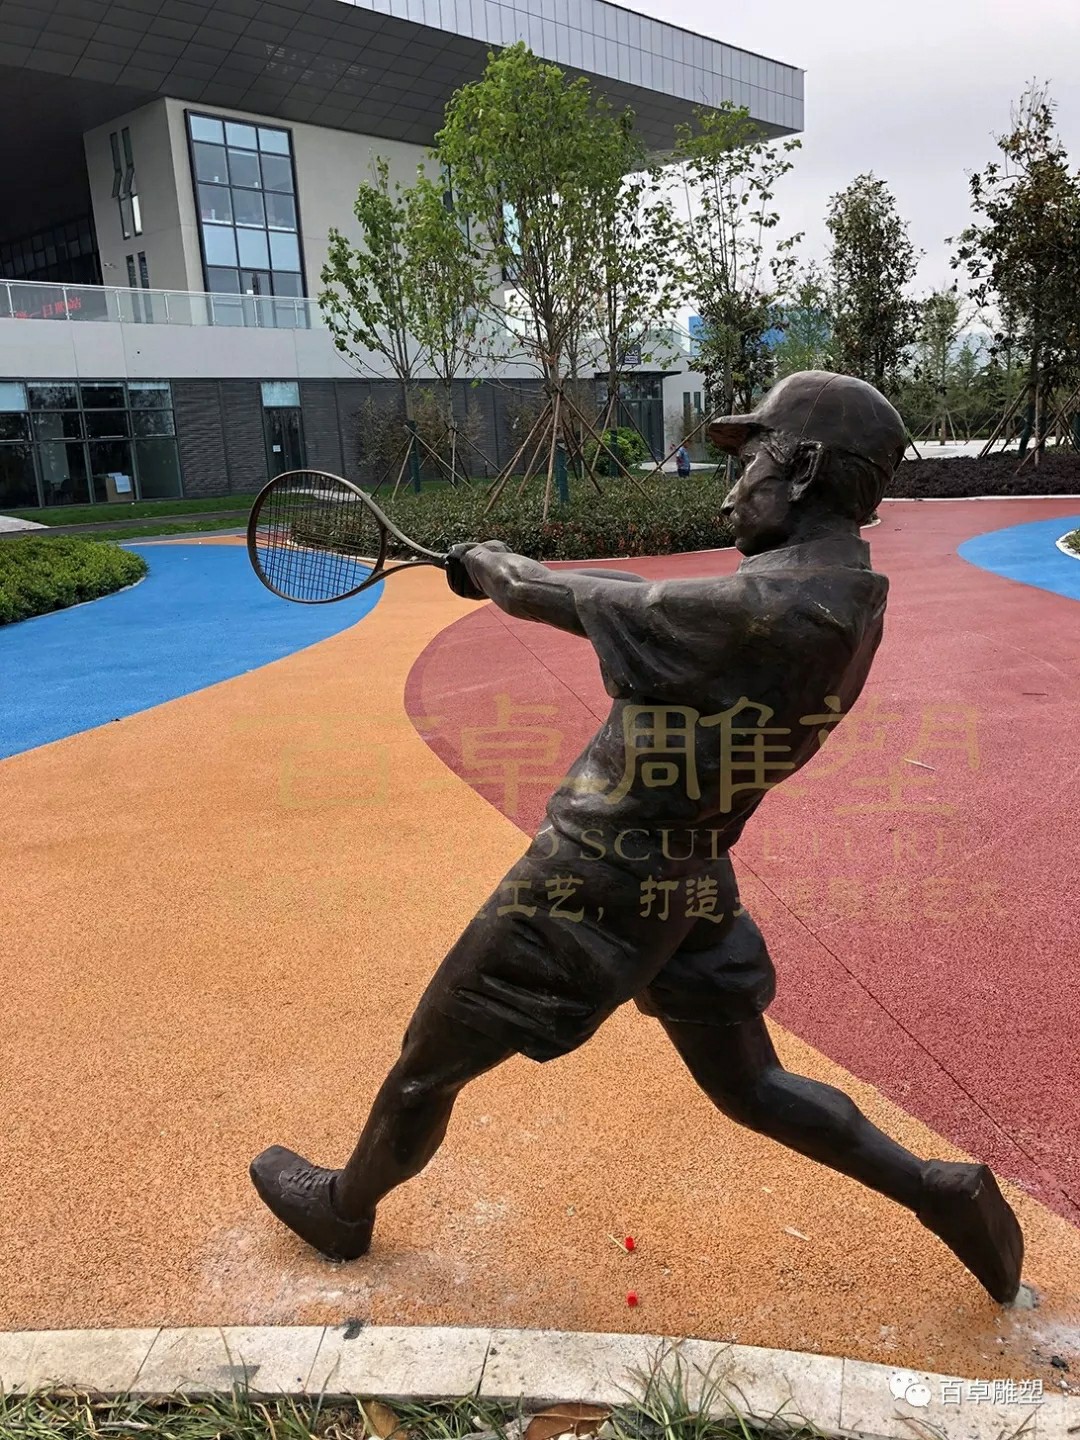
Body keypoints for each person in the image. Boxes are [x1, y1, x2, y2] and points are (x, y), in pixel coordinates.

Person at [250, 371, 1023, 1305]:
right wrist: (516, 572)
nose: (730, 489)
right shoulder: (841, 595)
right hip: (689, 875)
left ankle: (345, 1207)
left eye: (750, 460)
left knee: (426, 1062)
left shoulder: (762, 612)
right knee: (751, 1086)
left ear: (804, 468)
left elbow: (555, 594)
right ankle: (938, 1190)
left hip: (593, 877)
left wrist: (495, 566)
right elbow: (643, 596)